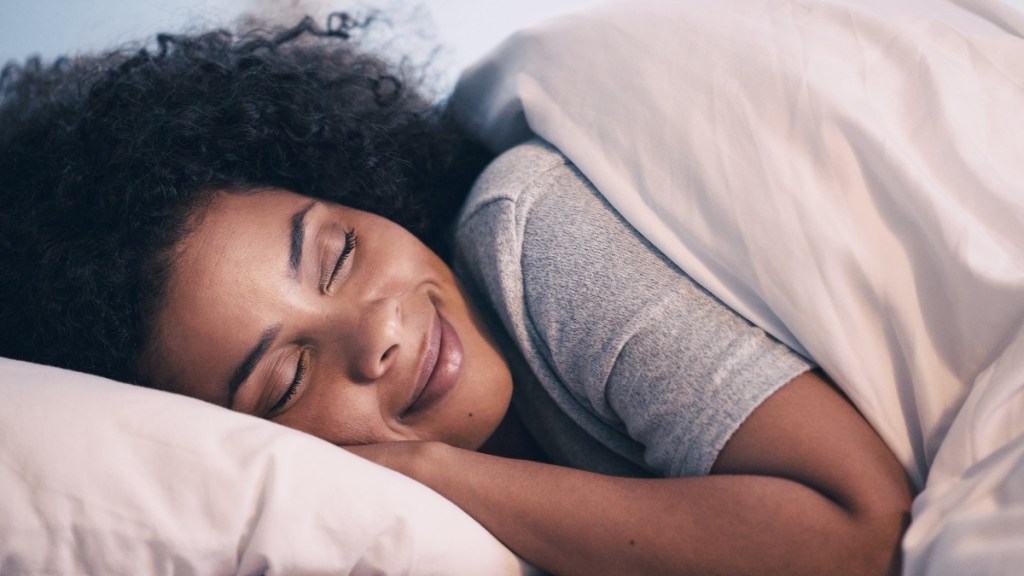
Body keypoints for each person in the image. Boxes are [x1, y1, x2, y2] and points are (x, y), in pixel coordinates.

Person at [0, 13, 913, 576]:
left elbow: (851, 534)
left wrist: (432, 470)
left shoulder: (530, 237)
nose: (378, 334)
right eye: (284, 382)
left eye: (338, 252)